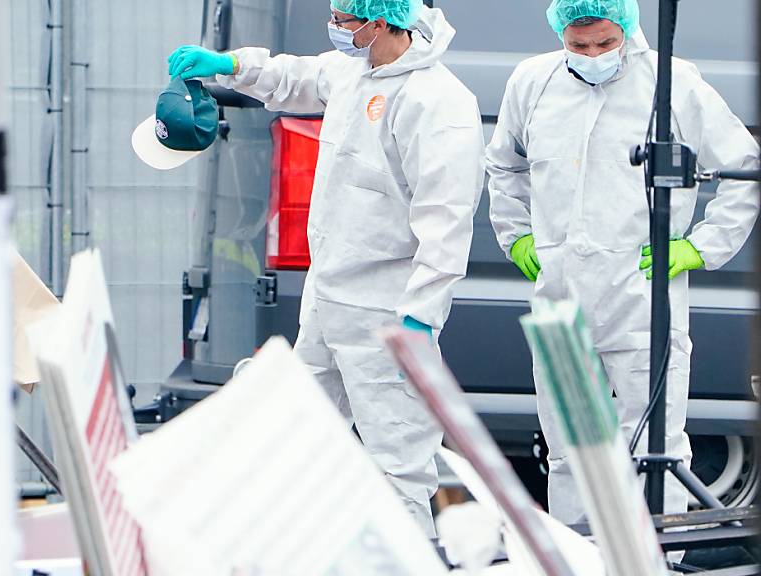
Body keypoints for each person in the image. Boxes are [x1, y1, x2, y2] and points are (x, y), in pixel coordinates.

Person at [168, 0, 484, 534]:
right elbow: (297, 76)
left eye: (342, 19)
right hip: (328, 300)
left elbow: (446, 224)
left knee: (398, 464)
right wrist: (229, 64)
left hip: (387, 312)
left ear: (380, 21)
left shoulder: (438, 102)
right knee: (300, 442)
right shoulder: (355, 70)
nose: (333, 26)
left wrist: (420, 318)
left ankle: (410, 559)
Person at [486, 0, 760, 524]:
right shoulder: (533, 82)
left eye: (606, 43)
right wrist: (516, 234)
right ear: (561, 33)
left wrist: (702, 246)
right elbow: (504, 164)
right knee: (571, 450)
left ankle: (660, 556)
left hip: (642, 300)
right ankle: (580, 554)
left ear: (628, 29)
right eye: (579, 45)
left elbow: (744, 166)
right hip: (560, 299)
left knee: (659, 450)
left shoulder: (671, 84)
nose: (593, 55)